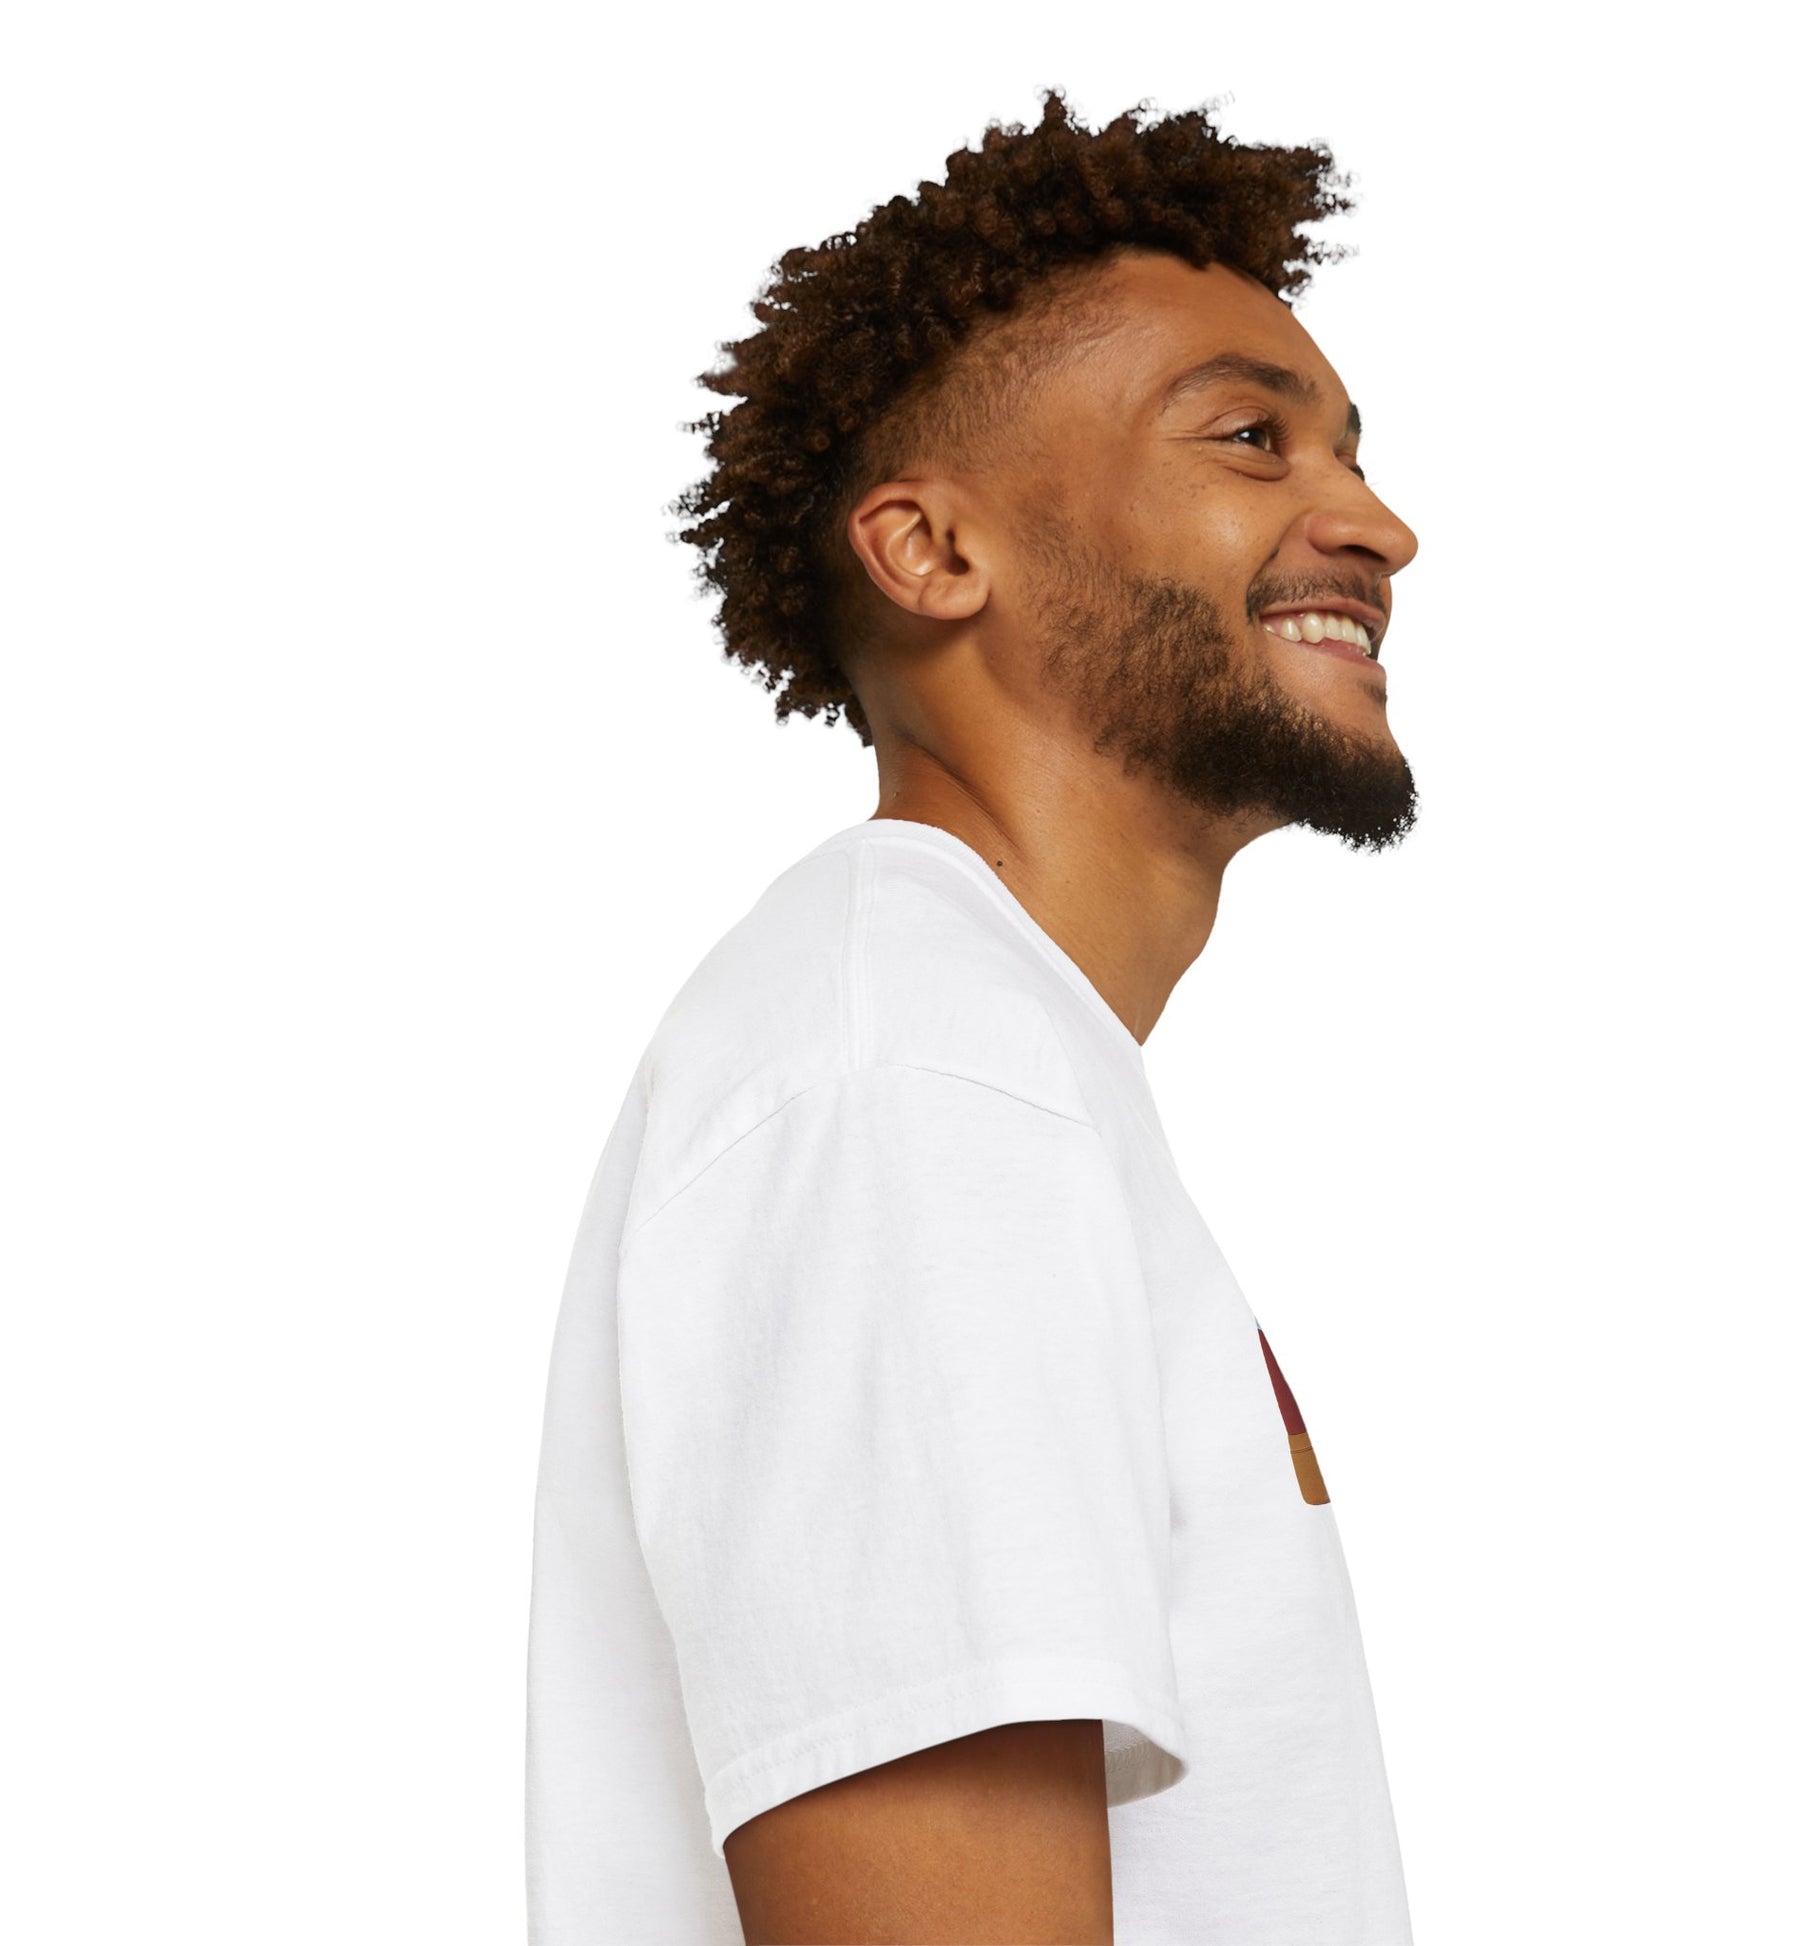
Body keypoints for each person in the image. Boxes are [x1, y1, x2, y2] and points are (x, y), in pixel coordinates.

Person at [526, 88, 1420, 1945]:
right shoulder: (918, 1070)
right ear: (931, 553)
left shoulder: (971, 1054)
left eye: (1350, 445)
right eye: (1249, 436)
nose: (1379, 522)